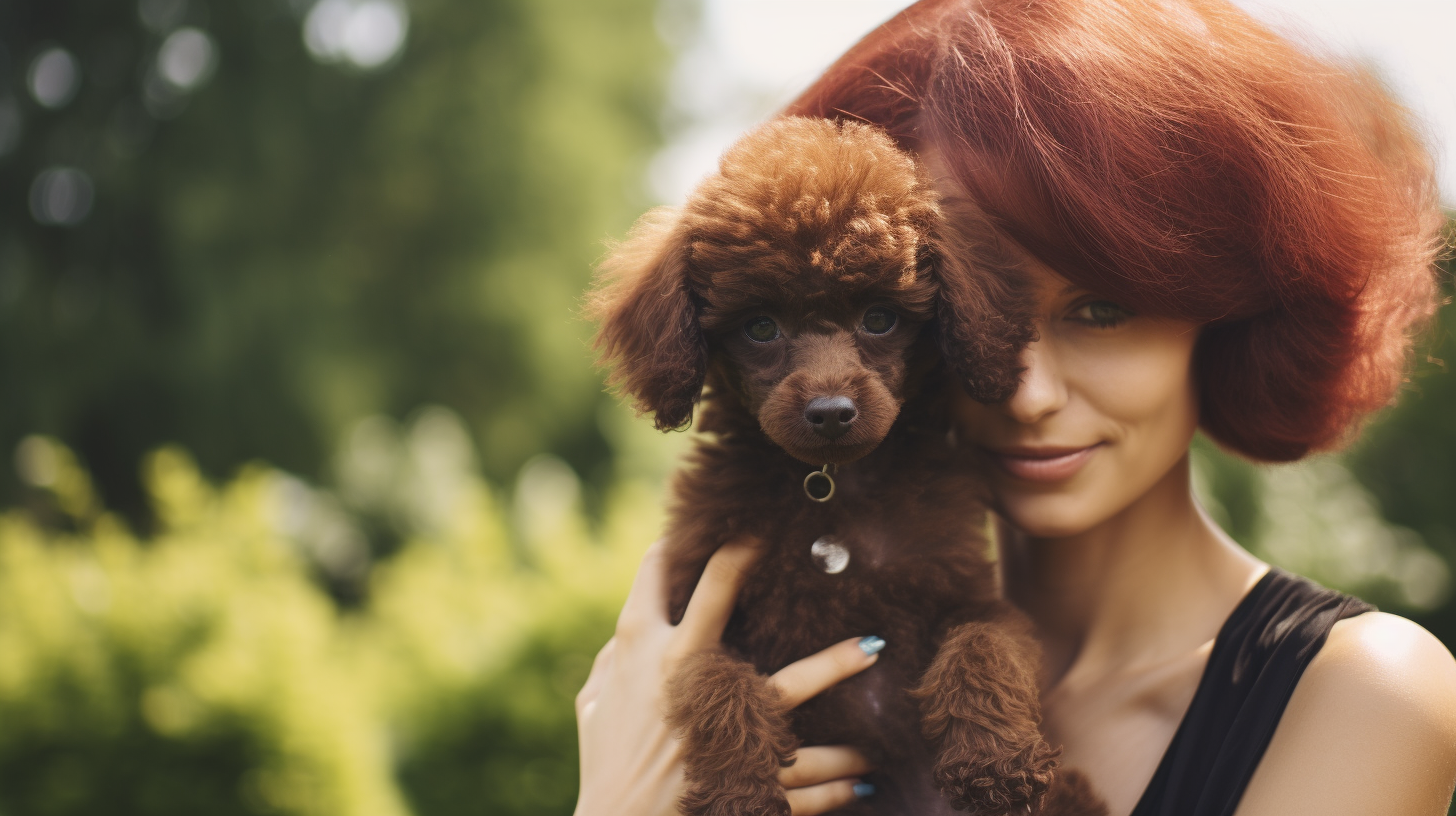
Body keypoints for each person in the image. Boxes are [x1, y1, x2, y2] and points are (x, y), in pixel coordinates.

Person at [573, 0, 1456, 814]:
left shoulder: (1365, 692)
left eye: (1101, 310)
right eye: (972, 312)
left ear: (1221, 312)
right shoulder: (723, 667)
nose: (1027, 392)